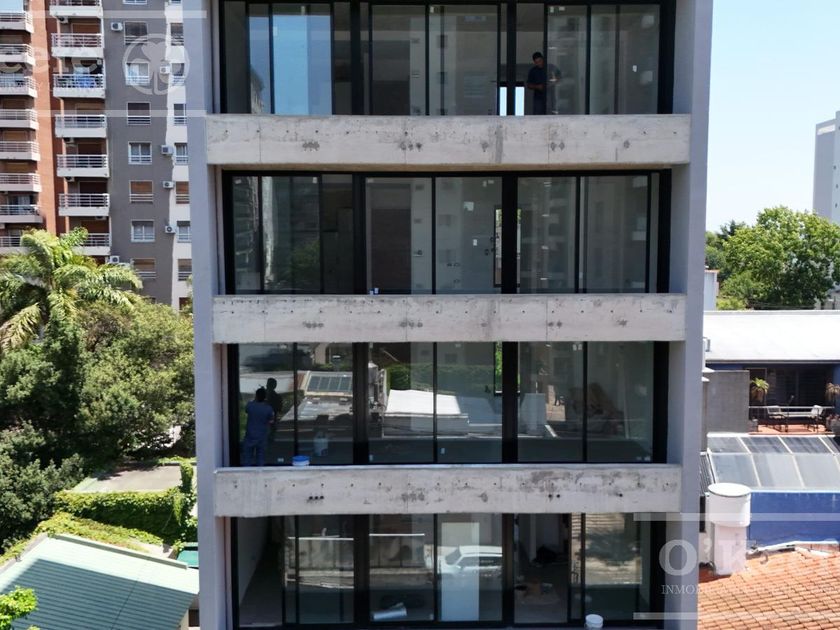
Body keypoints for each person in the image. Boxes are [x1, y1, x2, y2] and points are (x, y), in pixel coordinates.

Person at [241, 387, 274, 466]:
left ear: (256, 396)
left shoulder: (250, 405)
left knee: (247, 458)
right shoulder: (268, 408)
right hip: (262, 436)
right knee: (260, 458)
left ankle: (246, 472)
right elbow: (271, 420)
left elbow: (246, 410)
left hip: (250, 435)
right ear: (265, 397)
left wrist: (255, 399)